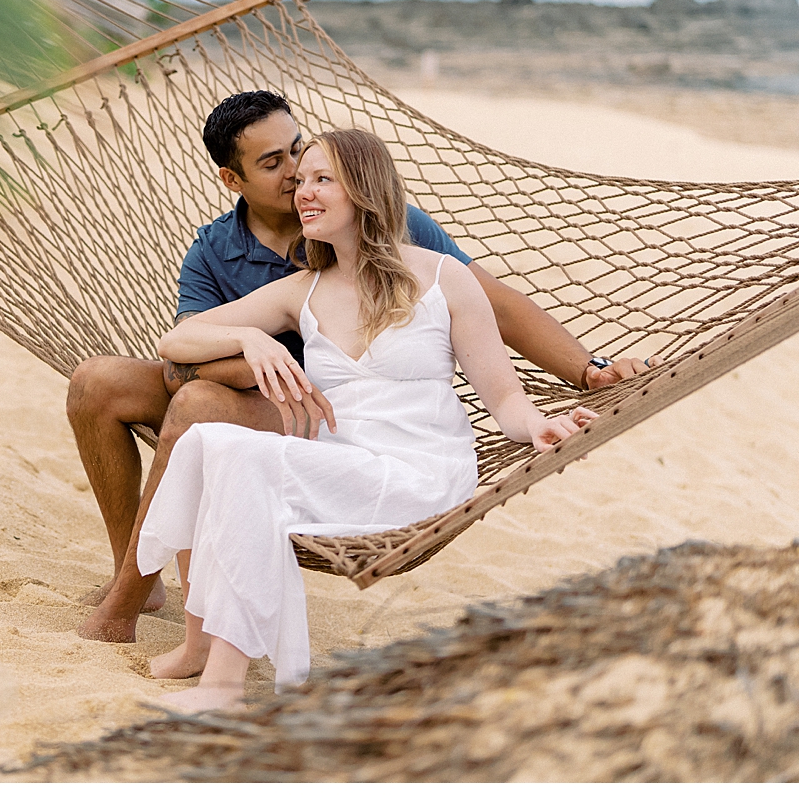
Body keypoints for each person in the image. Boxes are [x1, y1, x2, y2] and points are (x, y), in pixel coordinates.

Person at [69, 91, 656, 641]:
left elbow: (491, 303)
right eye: (275, 163)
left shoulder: (380, 220)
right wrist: (253, 342)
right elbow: (180, 363)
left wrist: (586, 369)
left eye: (300, 149)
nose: (298, 172)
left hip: (327, 412)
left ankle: (124, 601)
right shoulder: (215, 251)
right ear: (233, 179)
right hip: (252, 384)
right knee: (96, 383)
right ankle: (137, 574)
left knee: (195, 409)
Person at [138, 128, 597, 711]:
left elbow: (502, 396)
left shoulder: (441, 277)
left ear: (363, 189)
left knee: (238, 457)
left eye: (321, 180)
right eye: (301, 181)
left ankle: (222, 685)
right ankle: (207, 655)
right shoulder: (301, 290)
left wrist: (536, 425)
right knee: (214, 444)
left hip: (419, 472)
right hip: (342, 462)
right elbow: (175, 338)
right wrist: (250, 337)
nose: (303, 192)